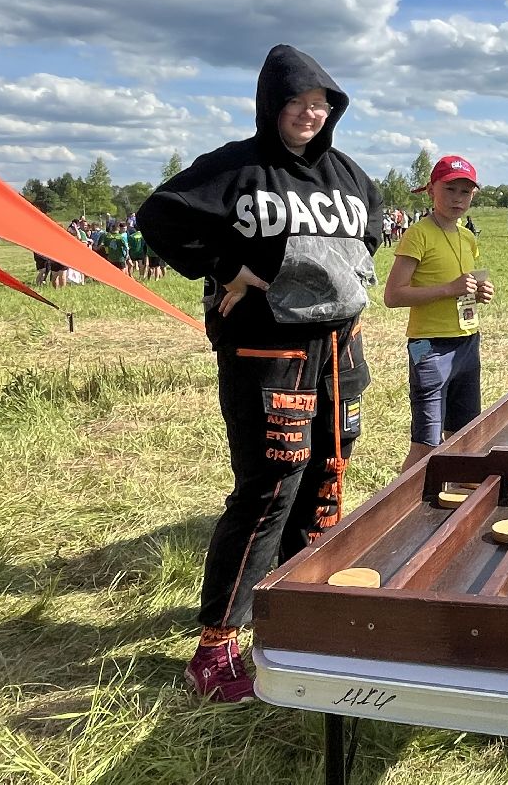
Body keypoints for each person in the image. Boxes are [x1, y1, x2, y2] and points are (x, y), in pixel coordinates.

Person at [138, 43, 383, 703]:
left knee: (327, 477)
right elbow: (159, 217)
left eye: (320, 104)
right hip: (267, 353)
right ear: (271, 105)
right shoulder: (237, 168)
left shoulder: (349, 175)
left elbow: (373, 228)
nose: (309, 113)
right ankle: (216, 646)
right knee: (270, 488)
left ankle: (301, 612)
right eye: (296, 102)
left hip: (339, 351)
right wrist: (229, 267)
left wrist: (343, 277)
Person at [383, 155, 495, 472]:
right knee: (426, 446)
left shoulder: (467, 237)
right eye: (450, 189)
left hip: (468, 343)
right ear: (432, 190)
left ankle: (457, 497)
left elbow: (462, 287)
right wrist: (449, 289)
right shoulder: (417, 234)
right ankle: (402, 503)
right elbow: (393, 295)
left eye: (465, 192)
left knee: (464, 436)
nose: (458, 198)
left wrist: (479, 292)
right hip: (429, 348)